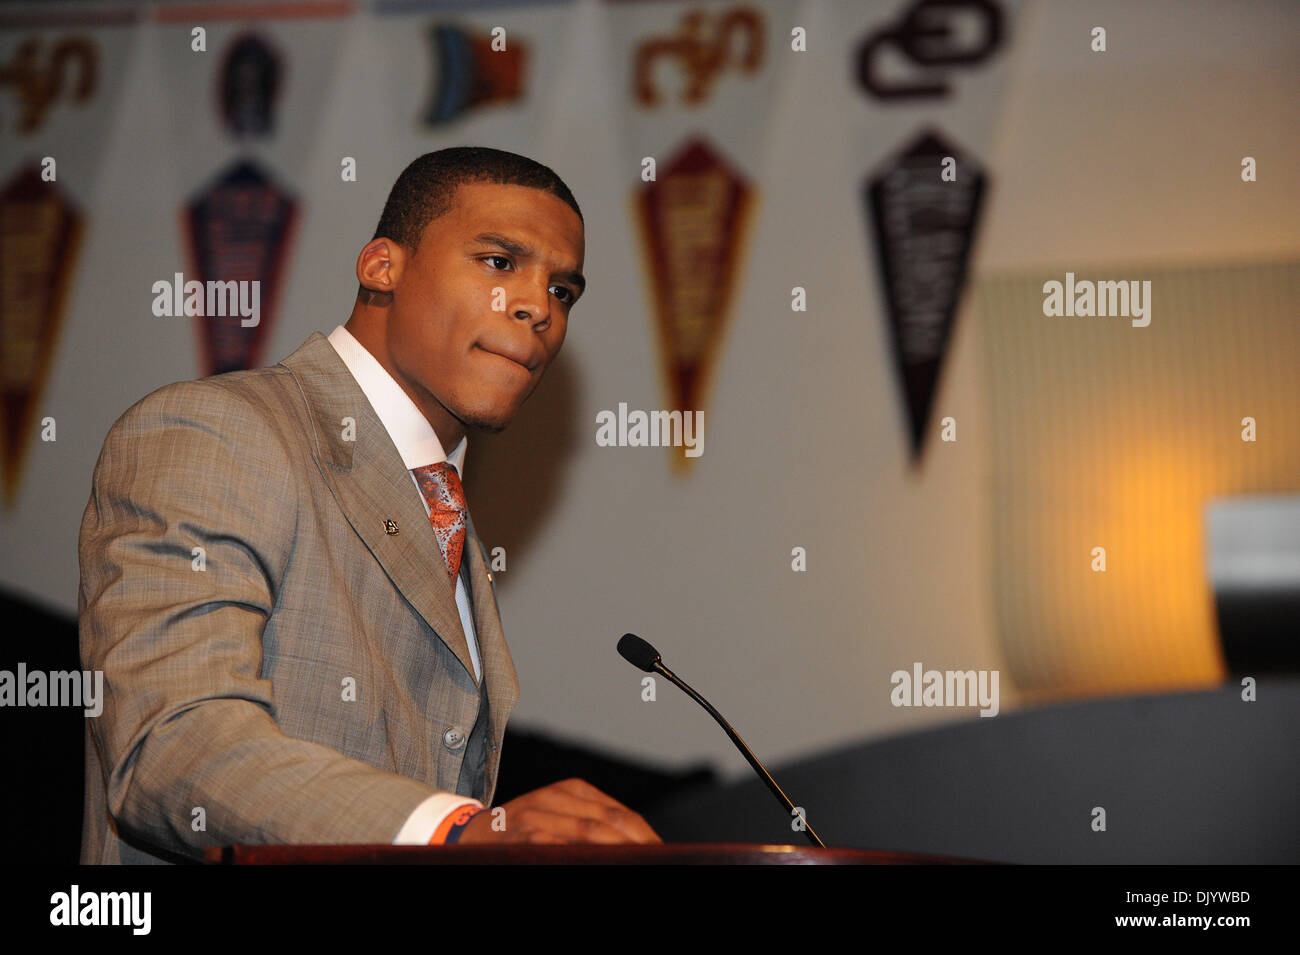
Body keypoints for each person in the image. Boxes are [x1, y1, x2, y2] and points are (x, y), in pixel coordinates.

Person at [78, 147, 661, 863]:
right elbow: (172, 745)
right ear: (382, 266)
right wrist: (452, 831)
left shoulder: (442, 506)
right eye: (499, 262)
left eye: (563, 290)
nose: (537, 306)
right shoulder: (222, 432)